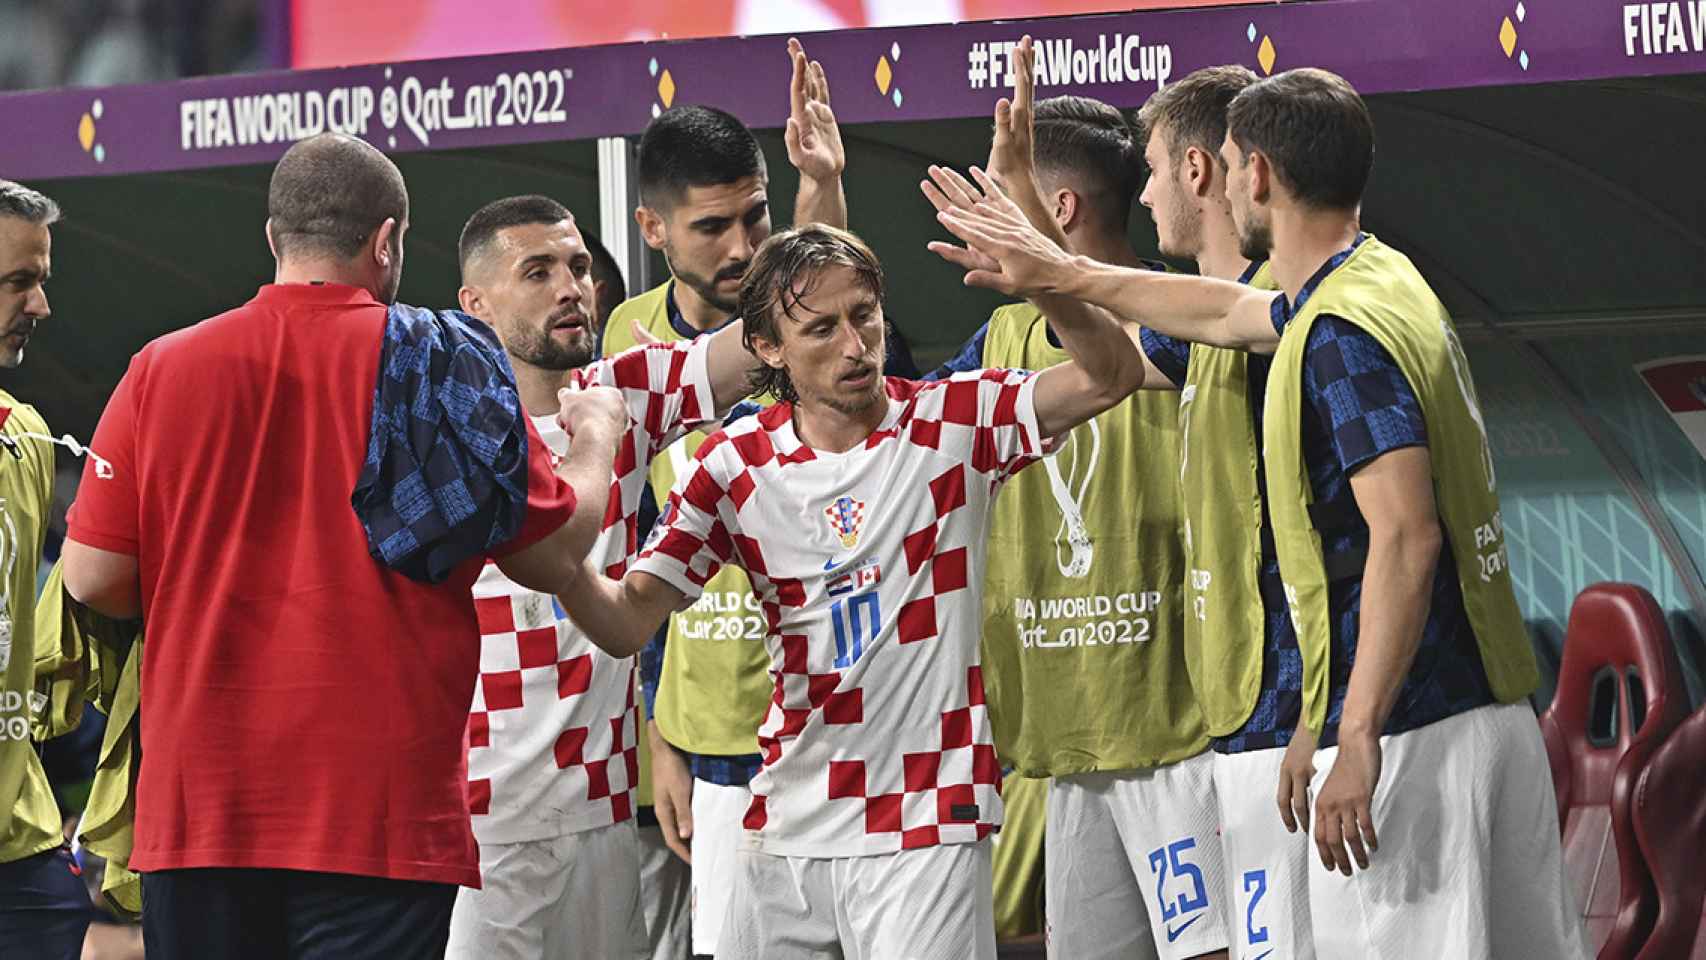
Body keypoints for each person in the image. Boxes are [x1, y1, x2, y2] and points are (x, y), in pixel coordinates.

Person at [932, 66, 1585, 960]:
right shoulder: (1366, 284)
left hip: (1407, 729)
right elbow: (1217, 312)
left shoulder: (1341, 335)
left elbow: (1405, 535)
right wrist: (1058, 264)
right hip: (1430, 712)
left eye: (1229, 163)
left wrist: (1348, 735)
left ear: (1259, 177)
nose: (1207, 182)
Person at [59, 133, 628, 960]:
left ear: (273, 239)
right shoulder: (445, 362)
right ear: (387, 241)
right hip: (381, 812)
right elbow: (549, 555)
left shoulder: (159, 369)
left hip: (203, 809)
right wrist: (597, 439)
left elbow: (93, 576)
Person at [559, 213, 1145, 959]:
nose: (854, 346)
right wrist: (560, 566)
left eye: (863, 316)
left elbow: (1112, 374)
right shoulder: (732, 468)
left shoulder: (953, 421)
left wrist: (1049, 283)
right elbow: (626, 624)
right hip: (784, 827)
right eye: (821, 329)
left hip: (928, 826)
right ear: (767, 348)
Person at [600, 40, 911, 960]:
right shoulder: (625, 338)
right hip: (716, 740)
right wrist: (664, 739)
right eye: (712, 228)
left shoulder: (818, 331)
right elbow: (638, 555)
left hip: (847, 721)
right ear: (653, 231)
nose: (741, 247)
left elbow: (805, 295)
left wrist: (822, 189)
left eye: (757, 216)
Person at [928, 68, 1230, 960]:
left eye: (999, 191)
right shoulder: (998, 340)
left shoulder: (1189, 321)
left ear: (1054, 207)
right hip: (1066, 736)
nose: (983, 216)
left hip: (1179, 726)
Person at [444, 193, 763, 958]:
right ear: (476, 303)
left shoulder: (628, 389)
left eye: (580, 267)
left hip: (602, 818)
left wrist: (818, 187)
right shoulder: (440, 422)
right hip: (477, 830)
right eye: (539, 271)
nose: (570, 287)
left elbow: (775, 338)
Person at [0, 179, 94, 960]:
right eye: (18, 283)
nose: (41, 307)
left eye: (41, 282)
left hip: (22, 854)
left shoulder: (27, 438)